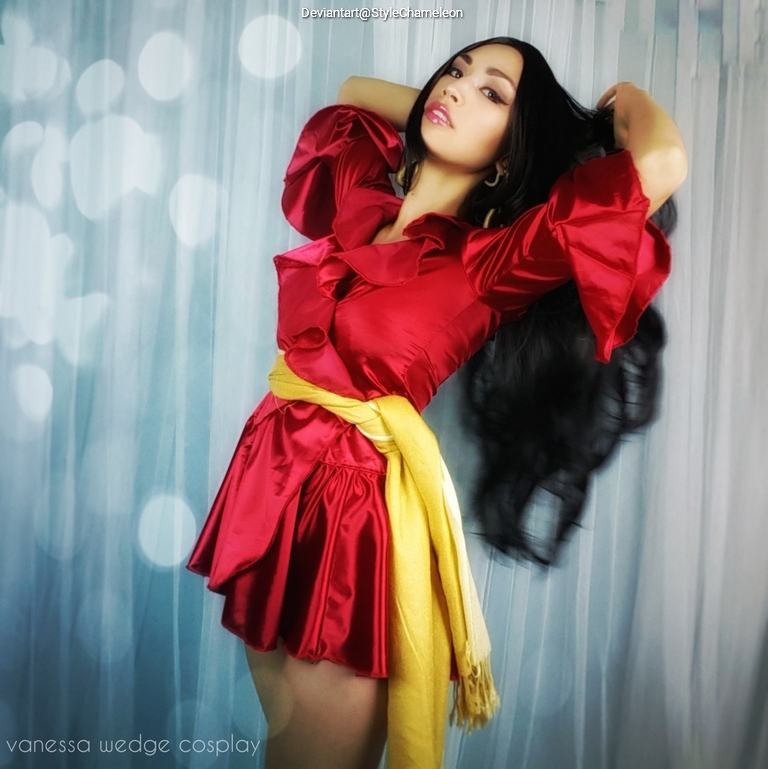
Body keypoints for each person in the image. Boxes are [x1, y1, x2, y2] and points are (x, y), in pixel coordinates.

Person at [187, 37, 687, 769]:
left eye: (492, 93)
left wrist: (618, 107)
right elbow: (354, 86)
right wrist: (450, 103)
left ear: (511, 154)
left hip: (347, 524)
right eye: (454, 73)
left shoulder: (492, 264)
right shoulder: (365, 203)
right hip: (272, 489)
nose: (454, 89)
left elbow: (662, 163)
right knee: (278, 745)